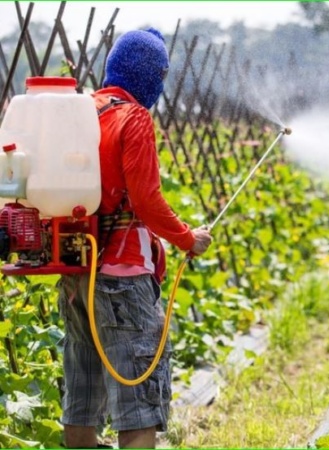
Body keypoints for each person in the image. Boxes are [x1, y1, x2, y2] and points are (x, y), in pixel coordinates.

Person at [57, 28, 213, 449]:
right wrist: (187, 238)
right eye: (160, 75)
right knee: (138, 406)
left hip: (76, 274)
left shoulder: (84, 113)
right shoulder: (134, 118)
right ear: (147, 75)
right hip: (122, 282)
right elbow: (145, 200)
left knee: (81, 400)